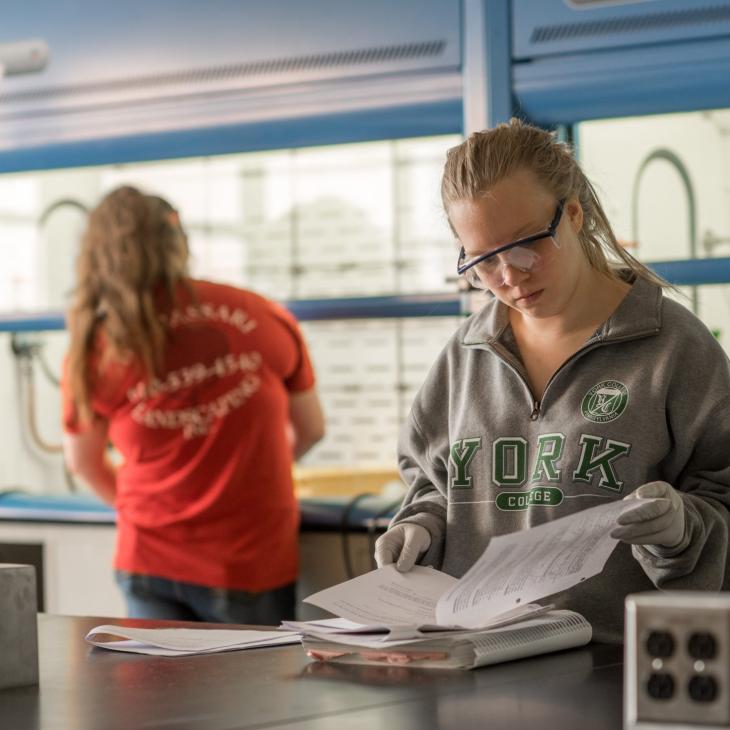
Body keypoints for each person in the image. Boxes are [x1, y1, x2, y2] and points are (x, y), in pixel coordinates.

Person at [374, 118, 730, 643]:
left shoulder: (674, 347)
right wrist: (420, 526)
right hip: (474, 658)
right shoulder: (465, 355)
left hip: (615, 665)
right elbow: (435, 484)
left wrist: (681, 530)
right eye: (482, 261)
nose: (509, 276)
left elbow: (721, 494)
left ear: (574, 215)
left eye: (524, 246)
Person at [61, 185, 325, 624]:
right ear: (179, 242)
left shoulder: (97, 346)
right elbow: (312, 428)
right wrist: (252, 475)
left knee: (154, 692)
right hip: (248, 557)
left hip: (146, 556)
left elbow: (83, 462)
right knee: (250, 692)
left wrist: (145, 512)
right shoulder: (261, 314)